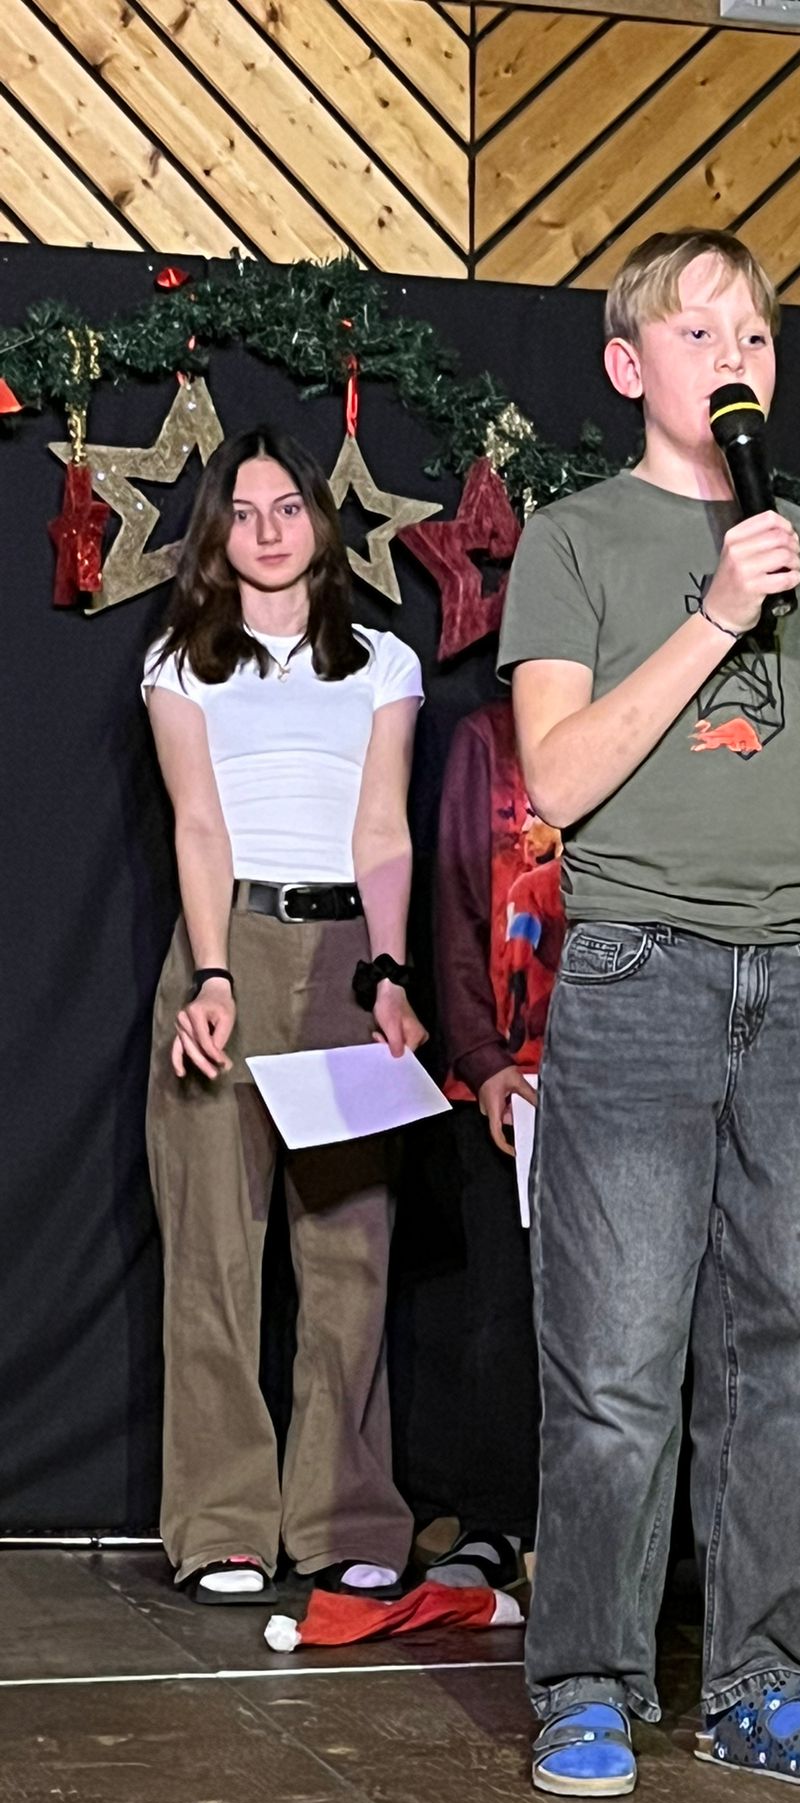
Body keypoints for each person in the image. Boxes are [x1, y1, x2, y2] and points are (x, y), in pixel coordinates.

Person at [499, 227, 800, 1798]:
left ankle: (766, 1680)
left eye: (755, 336)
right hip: (638, 975)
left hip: (798, 989)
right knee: (618, 1359)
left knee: (791, 1348)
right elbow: (558, 780)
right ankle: (589, 1681)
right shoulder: (575, 540)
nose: (733, 359)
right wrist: (710, 614)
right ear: (629, 365)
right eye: (698, 334)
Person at [142, 426, 426, 1606]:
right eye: (244, 511)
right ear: (218, 535)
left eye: (287, 507)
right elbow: (198, 823)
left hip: (347, 952)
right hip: (230, 948)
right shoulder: (180, 664)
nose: (267, 529)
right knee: (213, 1246)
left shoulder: (384, 663)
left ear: (319, 520)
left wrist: (392, 972)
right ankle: (222, 1524)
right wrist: (211, 975)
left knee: (349, 1245)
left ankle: (344, 1516)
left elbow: (384, 827)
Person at [430, 699, 565, 1586]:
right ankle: (493, 1523)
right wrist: (481, 1058)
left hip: (626, 1074)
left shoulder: (653, 716)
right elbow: (455, 905)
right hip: (508, 1079)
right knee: (500, 1312)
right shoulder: (489, 740)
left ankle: (600, 1533)